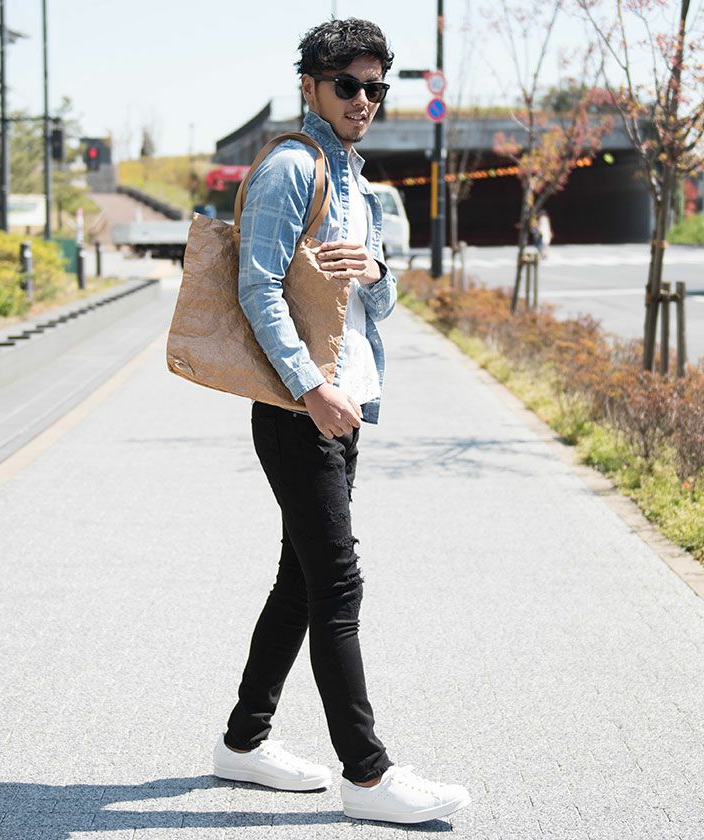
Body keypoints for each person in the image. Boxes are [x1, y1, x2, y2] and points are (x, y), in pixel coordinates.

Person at [212, 18, 472, 825]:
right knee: (337, 583)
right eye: (348, 85)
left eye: (374, 88)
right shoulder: (292, 167)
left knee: (301, 580)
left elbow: (382, 305)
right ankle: (367, 776)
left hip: (344, 402)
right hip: (302, 409)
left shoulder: (355, 179)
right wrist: (309, 390)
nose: (364, 100)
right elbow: (257, 289)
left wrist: (375, 267)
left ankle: (243, 742)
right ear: (311, 87)